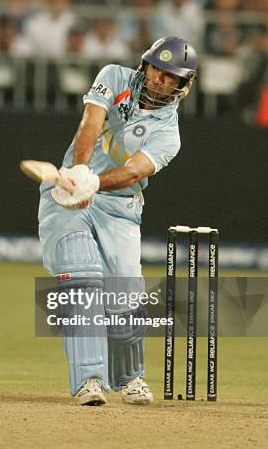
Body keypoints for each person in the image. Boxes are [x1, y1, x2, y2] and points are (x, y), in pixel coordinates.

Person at [37, 36, 197, 405]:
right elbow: (90, 125)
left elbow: (132, 171)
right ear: (145, 65)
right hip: (69, 191)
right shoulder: (115, 76)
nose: (160, 79)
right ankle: (89, 381)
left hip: (120, 208)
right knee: (81, 273)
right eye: (157, 68)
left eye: (170, 76)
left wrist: (95, 183)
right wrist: (79, 173)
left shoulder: (168, 134)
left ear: (181, 85)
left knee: (124, 301)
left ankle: (129, 378)